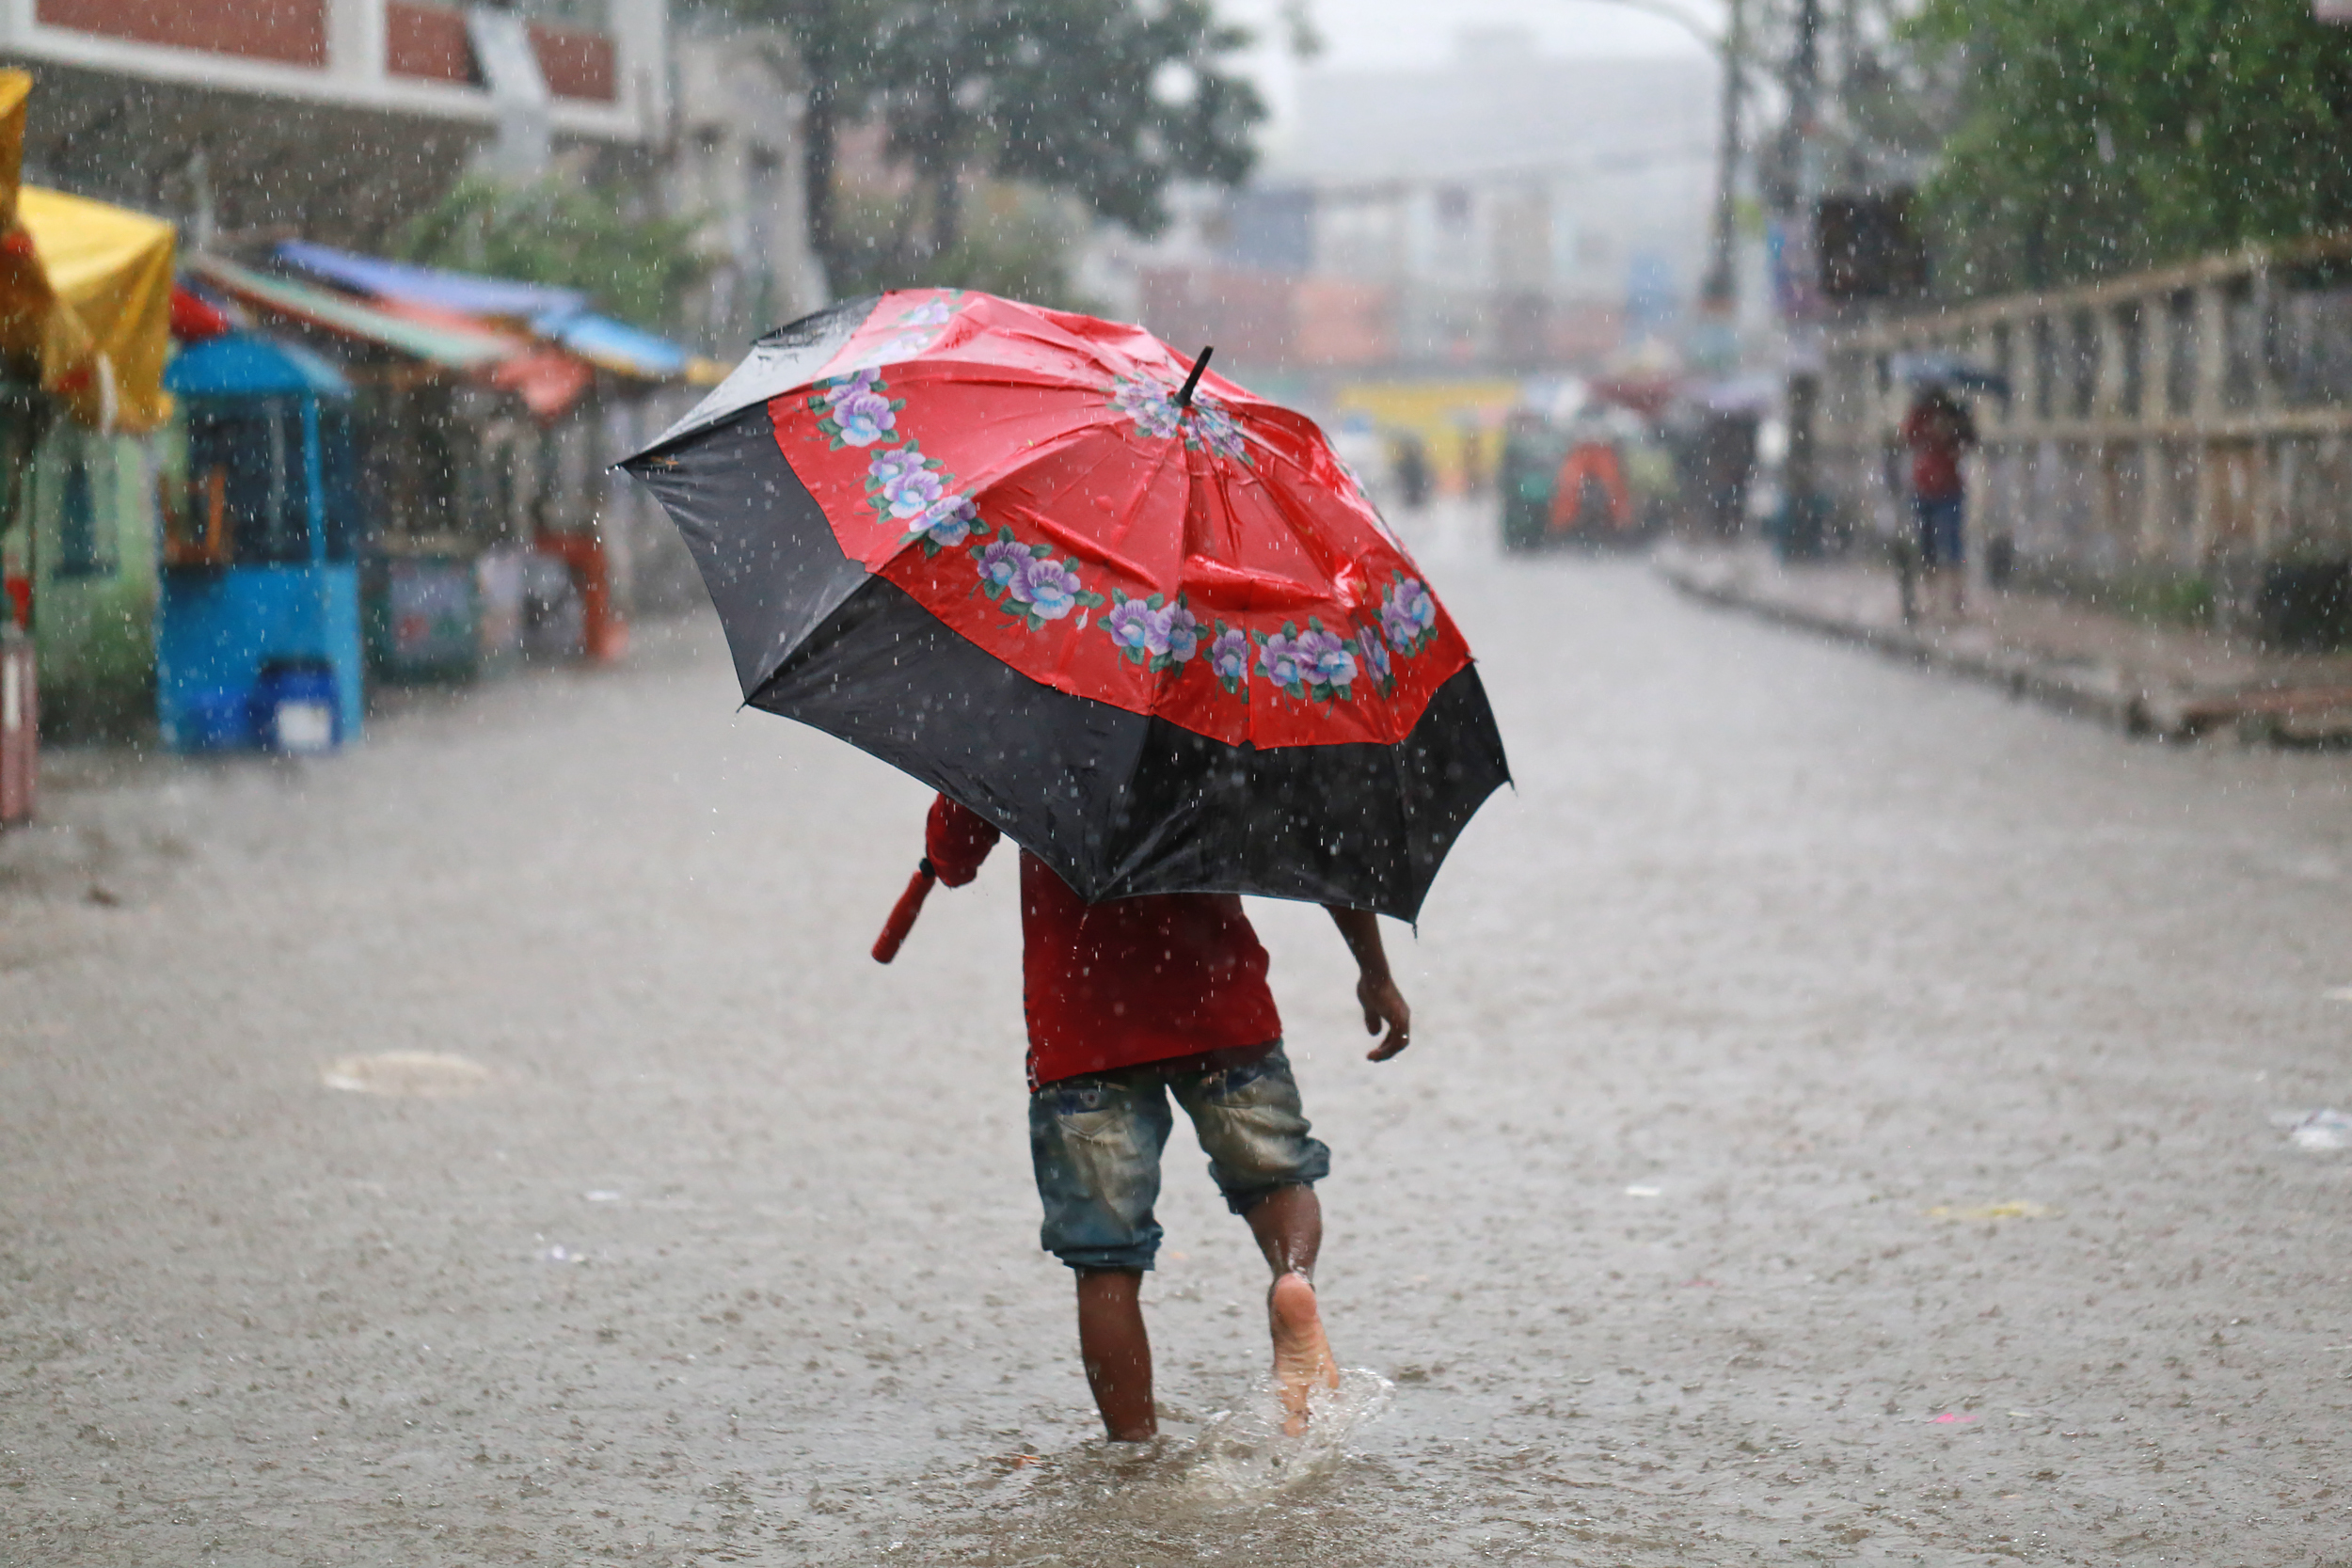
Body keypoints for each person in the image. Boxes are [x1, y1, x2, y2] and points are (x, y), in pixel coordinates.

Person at [917, 793, 1411, 1441]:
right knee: (1279, 1178)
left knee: (1105, 1260)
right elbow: (1322, 843)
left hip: (1084, 1029)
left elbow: (954, 856)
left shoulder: (1031, 711)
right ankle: (1294, 1277)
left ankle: (1133, 1459)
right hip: (1218, 1003)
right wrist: (1374, 971)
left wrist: (949, 830)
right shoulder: (1223, 705)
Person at [1900, 386, 1978, 618]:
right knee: (1928, 549)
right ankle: (1932, 601)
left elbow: (1968, 442)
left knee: (1953, 546)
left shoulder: (1954, 413)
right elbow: (1907, 436)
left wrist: (1953, 428)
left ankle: (1956, 600)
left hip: (1949, 489)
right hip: (1924, 489)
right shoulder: (1919, 413)